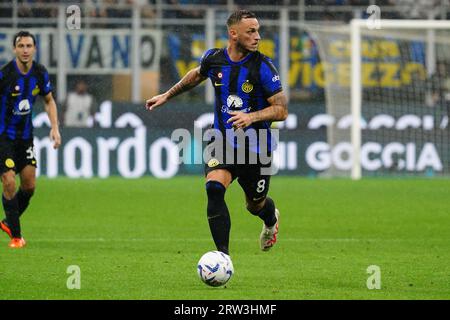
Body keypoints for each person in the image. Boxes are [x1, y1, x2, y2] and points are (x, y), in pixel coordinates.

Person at [145, 10, 288, 256]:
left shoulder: (263, 67)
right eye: (251, 31)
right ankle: (223, 257)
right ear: (233, 34)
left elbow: (282, 110)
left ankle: (270, 220)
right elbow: (196, 75)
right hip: (221, 141)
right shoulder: (214, 59)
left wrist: (251, 117)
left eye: (258, 31)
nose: (258, 37)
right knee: (213, 188)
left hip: (256, 147)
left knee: (255, 205)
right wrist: (167, 95)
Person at [0, 31, 61, 248]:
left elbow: (49, 100)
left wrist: (55, 128)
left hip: (26, 139)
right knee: (8, 181)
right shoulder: (5, 75)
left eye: (28, 46)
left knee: (29, 186)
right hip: (3, 138)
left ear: (34, 49)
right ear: (14, 49)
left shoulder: (40, 73)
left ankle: (8, 221)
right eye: (21, 46)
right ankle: (17, 237)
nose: (25, 50)